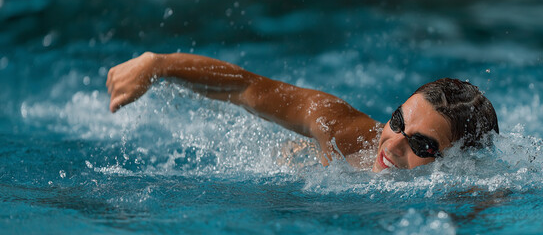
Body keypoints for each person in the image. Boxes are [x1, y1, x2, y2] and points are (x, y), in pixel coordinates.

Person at [106, 52, 499, 172]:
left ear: (459, 160)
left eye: (421, 145)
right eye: (397, 121)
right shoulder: (343, 133)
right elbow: (247, 87)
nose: (393, 144)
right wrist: (158, 66)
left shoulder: (466, 195)